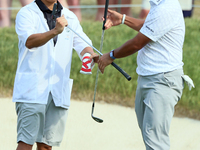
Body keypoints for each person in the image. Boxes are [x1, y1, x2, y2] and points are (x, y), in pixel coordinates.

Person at [98, 0, 194, 149]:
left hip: (162, 81)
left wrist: (111, 55)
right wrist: (123, 19)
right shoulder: (158, 5)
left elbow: (138, 43)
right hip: (149, 78)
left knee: (155, 141)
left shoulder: (167, 7)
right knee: (149, 137)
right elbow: (148, 27)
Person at [13, 0, 98, 149]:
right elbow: (29, 41)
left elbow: (82, 44)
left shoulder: (70, 17)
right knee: (25, 144)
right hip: (32, 90)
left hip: (57, 91)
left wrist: (90, 55)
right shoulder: (26, 13)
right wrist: (54, 31)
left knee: (46, 146)